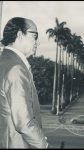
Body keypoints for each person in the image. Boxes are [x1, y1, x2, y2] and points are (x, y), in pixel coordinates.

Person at [0, 17, 49, 148]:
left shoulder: (4, 62)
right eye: (34, 35)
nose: (37, 43)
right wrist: (43, 145)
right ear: (20, 34)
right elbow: (23, 122)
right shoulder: (16, 69)